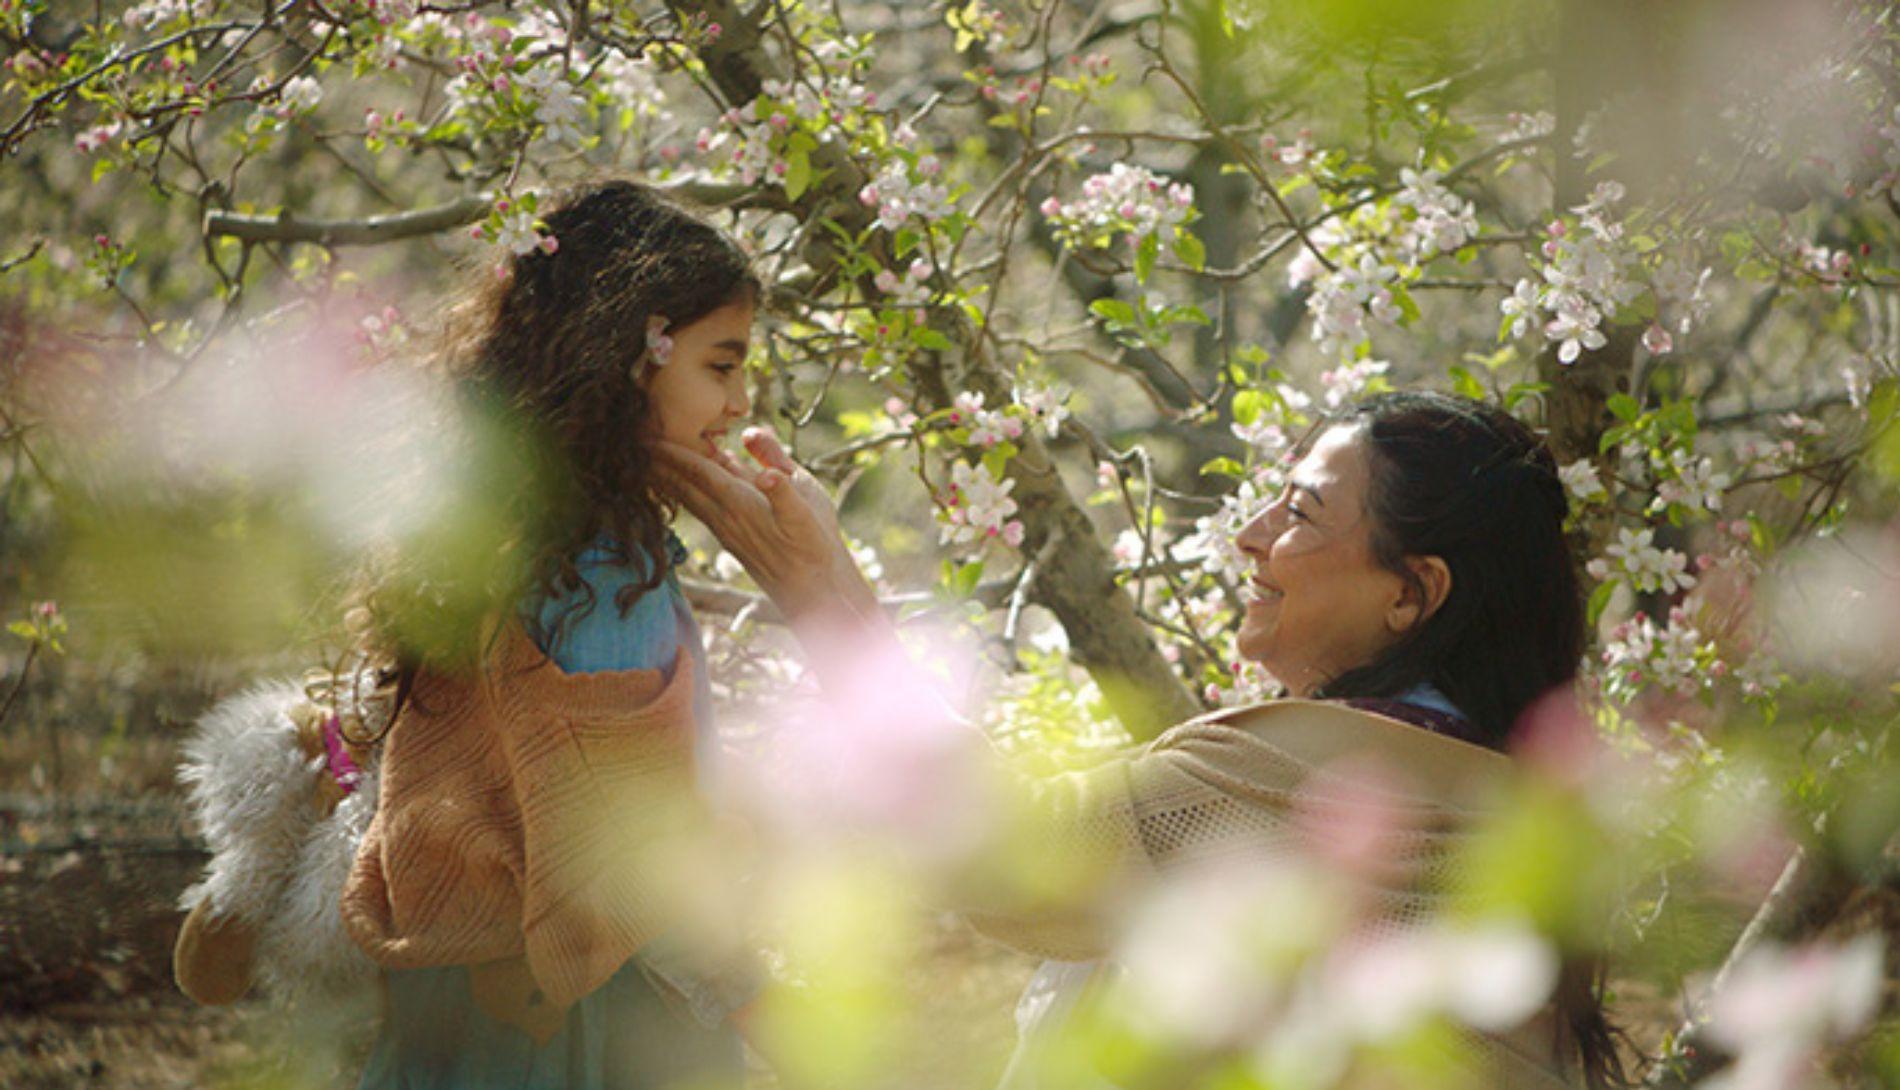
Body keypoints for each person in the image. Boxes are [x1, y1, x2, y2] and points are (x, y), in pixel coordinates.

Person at [655, 391, 1627, 1090]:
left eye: (1298, 513)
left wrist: (820, 592)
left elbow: (1002, 851)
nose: (1249, 535)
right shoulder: (1517, 801)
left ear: (1411, 593)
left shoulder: (1320, 771)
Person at [175, 179, 764, 1089]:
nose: (740, 403)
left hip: (450, 997)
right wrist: (756, 1003)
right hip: (585, 1017)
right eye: (721, 367)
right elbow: (618, 853)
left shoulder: (484, 537)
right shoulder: (604, 579)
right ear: (630, 359)